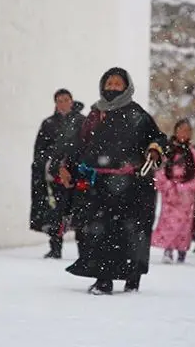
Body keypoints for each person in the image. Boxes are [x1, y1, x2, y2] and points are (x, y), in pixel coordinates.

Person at [58, 67, 167, 295]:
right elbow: (80, 144)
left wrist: (154, 151)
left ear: (126, 88)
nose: (113, 88)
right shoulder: (96, 115)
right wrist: (67, 165)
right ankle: (103, 279)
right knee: (98, 233)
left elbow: (157, 138)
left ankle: (132, 276)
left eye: (118, 84)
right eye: (110, 84)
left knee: (128, 233)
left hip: (131, 187)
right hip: (98, 186)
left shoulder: (138, 115)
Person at [29, 89, 85, 259]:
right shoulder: (49, 124)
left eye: (66, 100)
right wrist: (52, 162)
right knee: (56, 210)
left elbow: (86, 145)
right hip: (54, 176)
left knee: (79, 210)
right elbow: (40, 149)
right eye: (59, 101)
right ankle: (55, 247)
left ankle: (83, 250)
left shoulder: (82, 121)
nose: (63, 104)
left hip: (77, 173)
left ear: (72, 101)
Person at [151, 119, 195, 264]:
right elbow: (159, 171)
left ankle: (181, 251)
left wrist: (184, 188)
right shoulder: (167, 150)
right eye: (181, 130)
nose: (184, 134)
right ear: (175, 131)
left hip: (186, 194)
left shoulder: (193, 153)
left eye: (187, 131)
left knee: (184, 225)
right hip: (170, 192)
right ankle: (168, 250)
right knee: (169, 222)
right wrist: (168, 186)